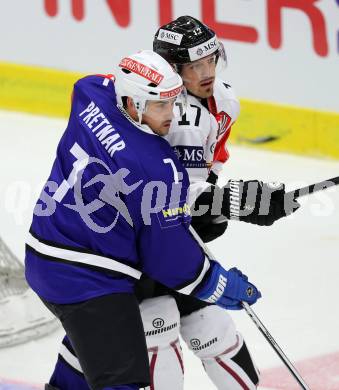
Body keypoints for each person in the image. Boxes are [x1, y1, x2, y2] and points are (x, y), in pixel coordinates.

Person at [25, 49, 260, 390]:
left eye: (172, 100)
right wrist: (218, 283)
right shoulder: (154, 165)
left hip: (45, 251)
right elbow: (169, 257)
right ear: (133, 104)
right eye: (160, 105)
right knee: (124, 381)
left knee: (89, 351)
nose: (172, 113)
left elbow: (97, 85)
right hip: (87, 276)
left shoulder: (91, 92)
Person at [133, 16, 301, 389]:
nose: (206, 72)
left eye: (211, 60)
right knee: (157, 323)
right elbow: (167, 193)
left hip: (174, 231)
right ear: (173, 69)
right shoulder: (170, 111)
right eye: (194, 66)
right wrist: (235, 203)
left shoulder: (223, 101)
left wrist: (213, 202)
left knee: (214, 329)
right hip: (136, 240)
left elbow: (207, 168)